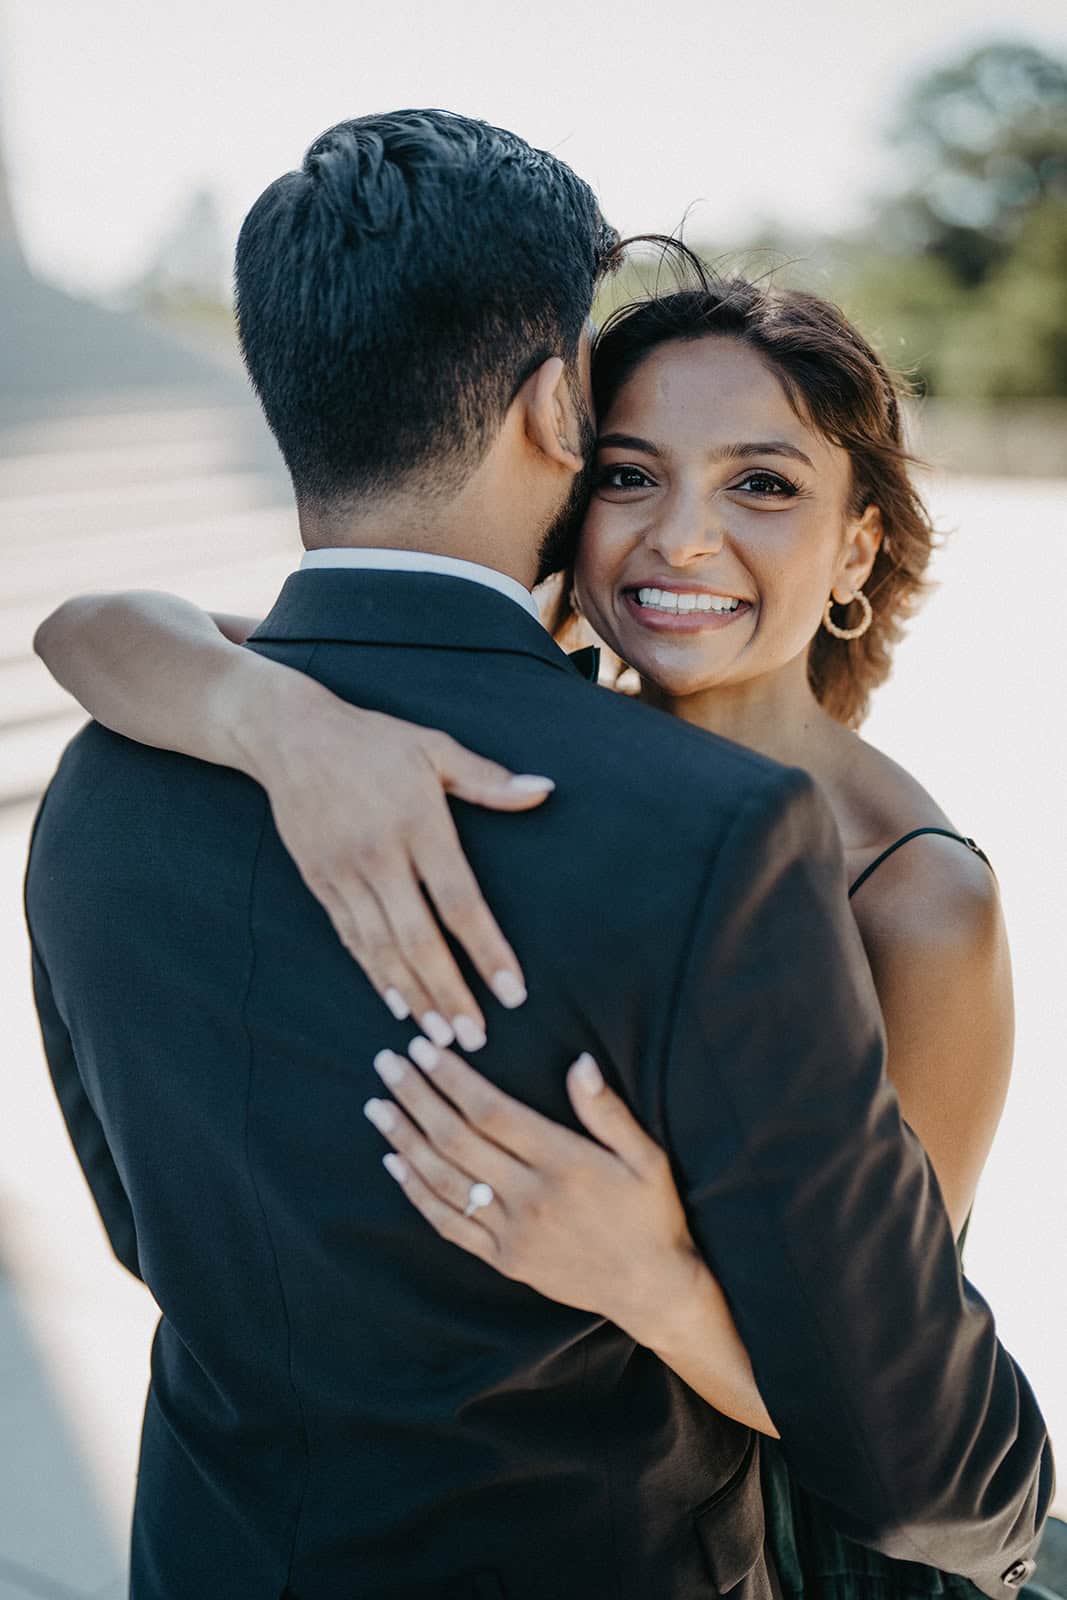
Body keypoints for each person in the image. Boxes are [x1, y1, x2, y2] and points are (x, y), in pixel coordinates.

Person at [25, 113, 1051, 1600]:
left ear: (856, 549)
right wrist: (264, 718)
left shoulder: (104, 788)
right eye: (634, 473)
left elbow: (867, 1389)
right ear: (561, 434)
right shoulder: (255, 726)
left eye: (762, 485)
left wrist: (654, 1280)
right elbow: (948, 1465)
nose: (680, 537)